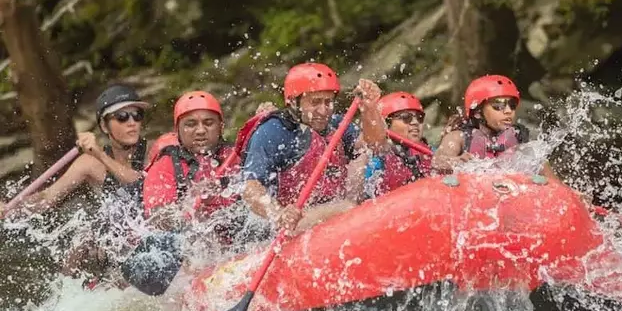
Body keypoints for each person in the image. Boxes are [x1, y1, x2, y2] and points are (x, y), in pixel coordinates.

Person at [241, 62, 384, 233]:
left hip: (333, 211)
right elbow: (250, 189)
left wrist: (370, 109)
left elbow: (374, 143)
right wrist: (278, 214)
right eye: (315, 102)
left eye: (328, 102)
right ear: (294, 102)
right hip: (294, 222)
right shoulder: (273, 132)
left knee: (360, 166)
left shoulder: (336, 124)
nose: (323, 110)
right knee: (346, 208)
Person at [0, 84, 150, 217]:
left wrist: (100, 155)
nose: (132, 123)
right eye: (122, 116)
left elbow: (140, 183)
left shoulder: (154, 151)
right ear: (104, 126)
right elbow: (47, 197)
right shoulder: (90, 163)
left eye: (137, 115)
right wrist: (11, 208)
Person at [142, 91, 238, 235]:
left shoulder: (235, 156)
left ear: (221, 127)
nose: (200, 130)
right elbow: (158, 219)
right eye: (191, 124)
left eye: (208, 123)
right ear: (178, 130)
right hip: (188, 245)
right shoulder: (166, 164)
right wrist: (195, 204)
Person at [436, 75, 560, 180]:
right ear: (478, 112)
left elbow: (541, 169)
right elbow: (436, 161)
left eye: (511, 106)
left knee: (539, 161)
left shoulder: (518, 140)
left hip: (509, 195)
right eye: (498, 106)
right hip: (473, 195)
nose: (508, 111)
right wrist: (457, 161)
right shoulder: (458, 137)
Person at [364, 91, 459, 198]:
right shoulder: (378, 156)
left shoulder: (433, 152)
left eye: (419, 117)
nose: (415, 122)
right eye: (406, 117)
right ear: (386, 123)